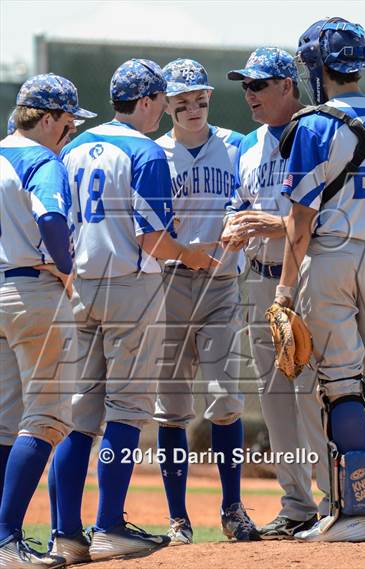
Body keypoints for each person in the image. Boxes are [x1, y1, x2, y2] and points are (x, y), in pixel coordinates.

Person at [47, 58, 219, 565]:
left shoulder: (74, 146)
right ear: (144, 102)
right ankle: (110, 526)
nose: (165, 110)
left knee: (79, 414)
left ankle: (65, 534)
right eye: (161, 101)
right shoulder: (145, 151)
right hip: (130, 285)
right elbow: (153, 238)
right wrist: (192, 254)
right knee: (127, 411)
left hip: (78, 287)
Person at [276, 17, 365, 542]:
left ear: (317, 67)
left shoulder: (312, 126)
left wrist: (284, 290)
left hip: (330, 258)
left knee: (340, 386)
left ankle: (354, 514)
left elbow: (299, 222)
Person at [222, 47, 330, 539]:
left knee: (312, 394)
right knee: (274, 398)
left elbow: (327, 218)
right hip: (261, 279)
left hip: (308, 276)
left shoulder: (317, 133)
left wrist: (271, 223)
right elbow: (238, 205)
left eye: (259, 84)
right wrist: (235, 226)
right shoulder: (247, 144)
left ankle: (336, 503)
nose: (250, 94)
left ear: (288, 85)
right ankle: (296, 505)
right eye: (246, 85)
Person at [154, 58, 260, 545]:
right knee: (172, 408)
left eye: (200, 99)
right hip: (169, 285)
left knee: (225, 400)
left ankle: (233, 509)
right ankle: (178, 519)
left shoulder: (236, 146)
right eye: (181, 102)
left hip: (220, 283)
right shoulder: (154, 154)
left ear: (209, 99)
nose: (192, 108)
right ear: (165, 105)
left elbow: (253, 203)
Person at [0, 73, 96, 568]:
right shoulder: (42, 160)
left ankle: (0, 536)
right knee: (48, 419)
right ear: (50, 117)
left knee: (4, 424)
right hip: (34, 295)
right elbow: (53, 219)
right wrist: (66, 266)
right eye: (68, 121)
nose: (71, 131)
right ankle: (7, 539)